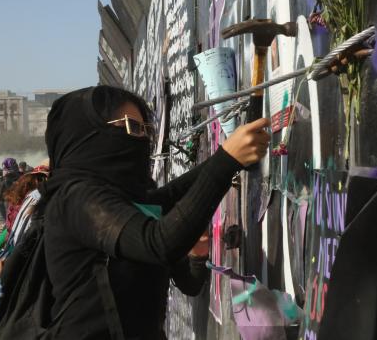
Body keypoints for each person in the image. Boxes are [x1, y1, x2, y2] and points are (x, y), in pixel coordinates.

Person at [40, 86, 270, 339]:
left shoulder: (121, 198)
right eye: (131, 127)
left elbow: (168, 198)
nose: (141, 140)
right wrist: (226, 161)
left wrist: (228, 158)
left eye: (145, 130)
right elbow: (159, 242)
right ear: (87, 134)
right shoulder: (76, 197)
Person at [0, 165, 49, 339]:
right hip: (19, 261)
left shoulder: (22, 201)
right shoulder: (37, 199)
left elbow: (8, 233)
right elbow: (17, 236)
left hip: (8, 258)